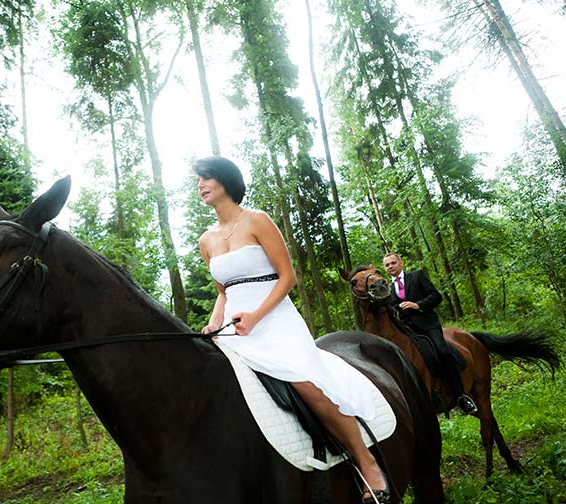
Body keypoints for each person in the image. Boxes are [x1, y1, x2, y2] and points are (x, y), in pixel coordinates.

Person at [195, 156, 389, 504]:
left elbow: (288, 277)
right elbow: (223, 293)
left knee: (307, 384)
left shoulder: (256, 220)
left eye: (206, 178)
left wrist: (255, 316)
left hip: (273, 317)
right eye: (198, 180)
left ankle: (366, 460)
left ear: (225, 181)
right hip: (233, 324)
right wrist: (213, 323)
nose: (200, 185)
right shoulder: (206, 240)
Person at [382, 253, 478, 414]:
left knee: (442, 351)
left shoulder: (417, 276)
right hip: (408, 329)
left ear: (401, 263)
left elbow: (436, 296)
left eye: (393, 263)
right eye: (387, 265)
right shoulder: (388, 289)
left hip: (428, 325)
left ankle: (462, 395)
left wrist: (417, 305)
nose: (390, 266)